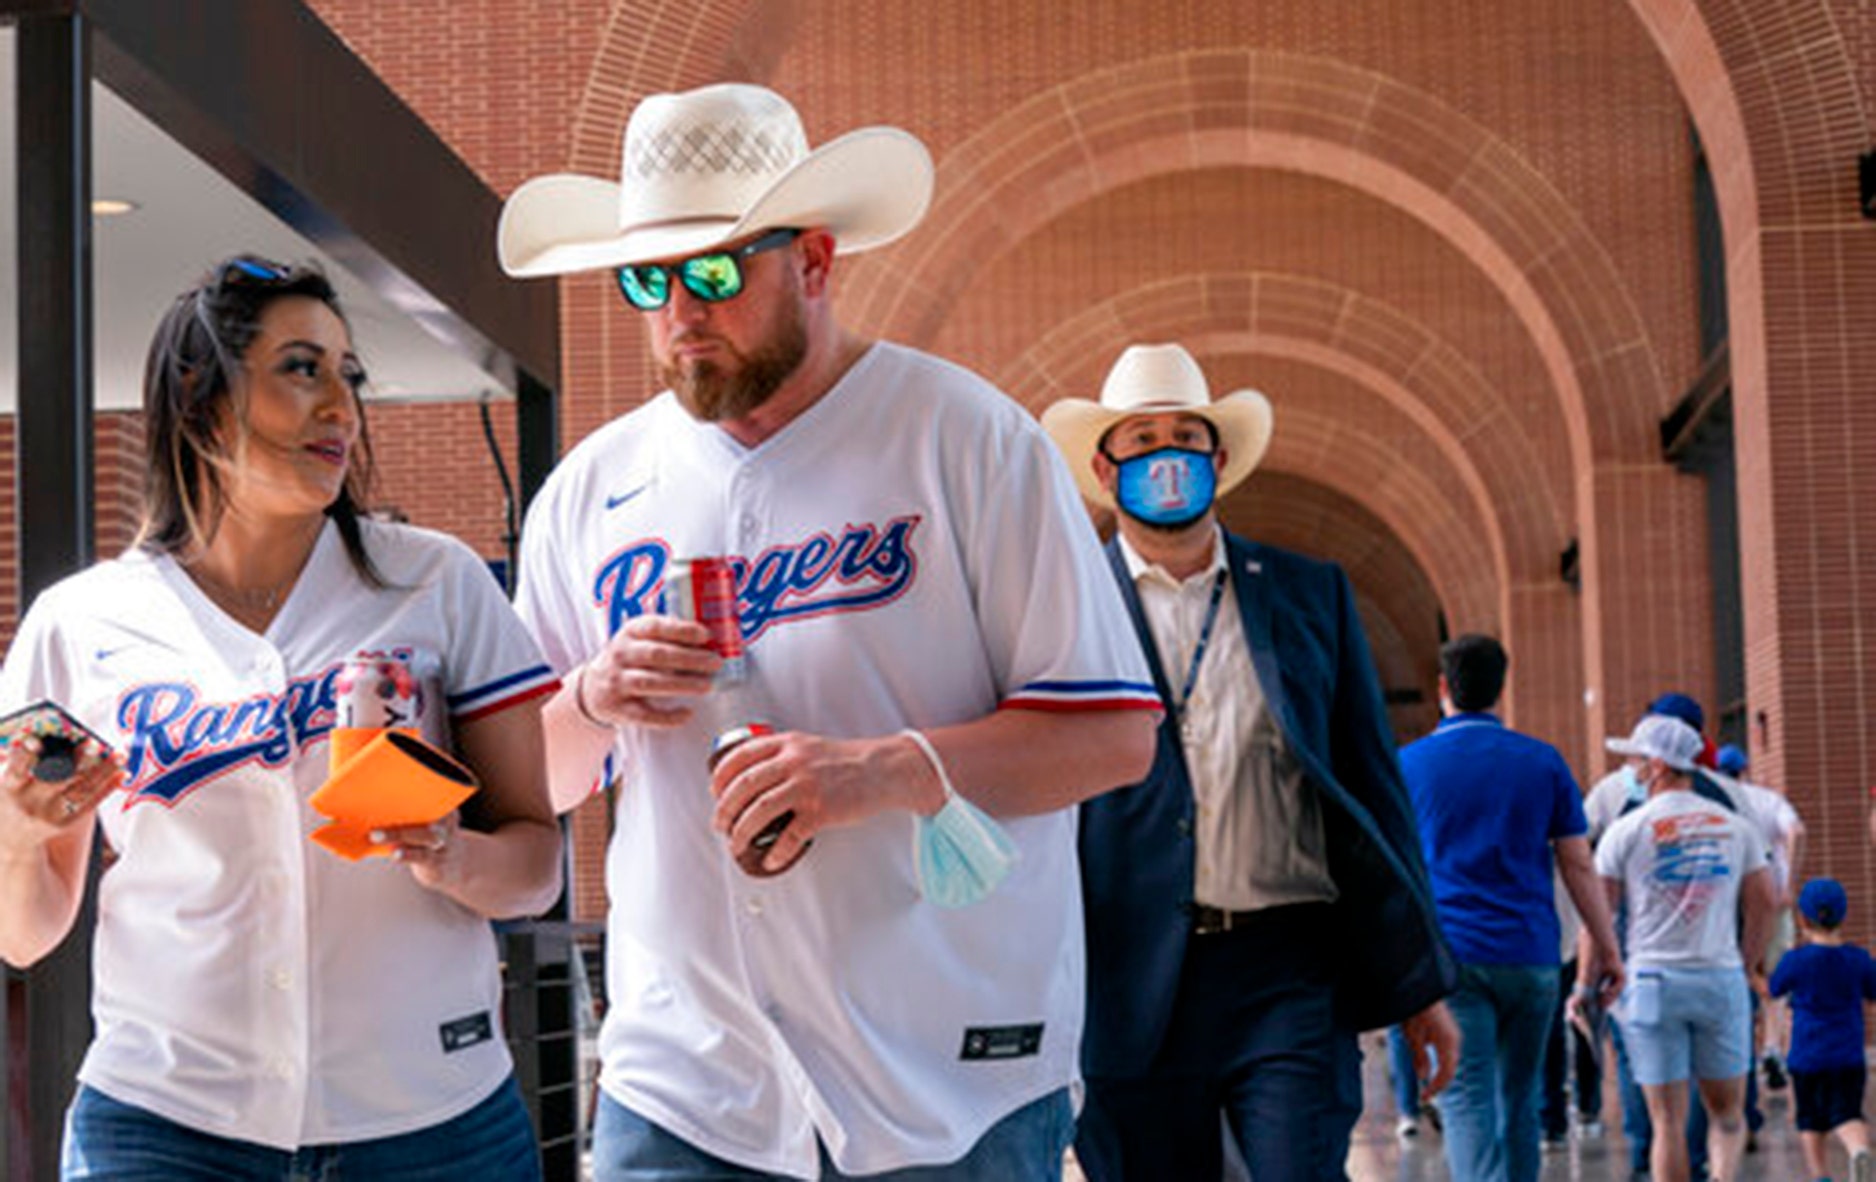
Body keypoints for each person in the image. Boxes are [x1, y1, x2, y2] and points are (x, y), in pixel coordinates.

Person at [499, 84, 1161, 1180]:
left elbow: (1110, 735)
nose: (679, 312)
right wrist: (592, 698)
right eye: (645, 279)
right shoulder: (590, 490)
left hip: (947, 1077)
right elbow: (541, 776)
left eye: (714, 272)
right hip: (685, 1082)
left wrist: (882, 772)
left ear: (814, 260)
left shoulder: (968, 441)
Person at [0, 256, 564, 1178]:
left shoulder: (438, 581)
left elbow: (538, 860)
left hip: (431, 1123)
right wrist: (19, 835)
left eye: (350, 374)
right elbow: (23, 933)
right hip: (163, 1126)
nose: (340, 405)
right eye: (302, 368)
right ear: (202, 394)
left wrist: (453, 856)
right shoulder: (77, 624)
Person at [1039, 342, 1460, 1181]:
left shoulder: (1309, 593)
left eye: (1185, 438)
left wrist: (1417, 985)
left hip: (1288, 968)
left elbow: (1373, 788)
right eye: (1142, 438)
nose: (1167, 457)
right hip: (1126, 976)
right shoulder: (1062, 605)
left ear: (1218, 459)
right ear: (1104, 464)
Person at [1399, 633, 1623, 1182]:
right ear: (1502, 688)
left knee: (1467, 1097)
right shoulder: (1542, 763)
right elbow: (1577, 864)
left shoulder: (1407, 765)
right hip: (1531, 957)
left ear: (1443, 688)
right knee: (1519, 1101)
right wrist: (1608, 949)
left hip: (1451, 956)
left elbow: (1393, 868)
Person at [1590, 714, 1774, 1182]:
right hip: (1719, 977)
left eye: (1635, 759)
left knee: (1666, 1122)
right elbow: (1766, 902)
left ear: (1657, 765)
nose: (1631, 768)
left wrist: (1594, 976)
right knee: (1727, 1116)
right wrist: (1747, 962)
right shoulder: (1735, 827)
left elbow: (1600, 916)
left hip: (1651, 981)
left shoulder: (1627, 830)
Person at [1768, 878, 1876, 1182]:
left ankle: (1821, 1176)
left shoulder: (1795, 961)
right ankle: (1858, 1151)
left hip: (1807, 1056)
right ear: (1844, 916)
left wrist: (1751, 977)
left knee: (1810, 1122)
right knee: (1848, 1114)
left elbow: (1774, 989)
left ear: (1802, 918)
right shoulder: (1859, 959)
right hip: (1849, 1055)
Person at [1714, 741, 1805, 1091]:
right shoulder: (1766, 800)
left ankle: (1742, 1054)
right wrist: (1789, 884)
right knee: (1777, 979)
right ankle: (1772, 1049)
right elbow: (1796, 830)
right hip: (1773, 899)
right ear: (1745, 769)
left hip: (1729, 901)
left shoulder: (1718, 801)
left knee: (1740, 973)